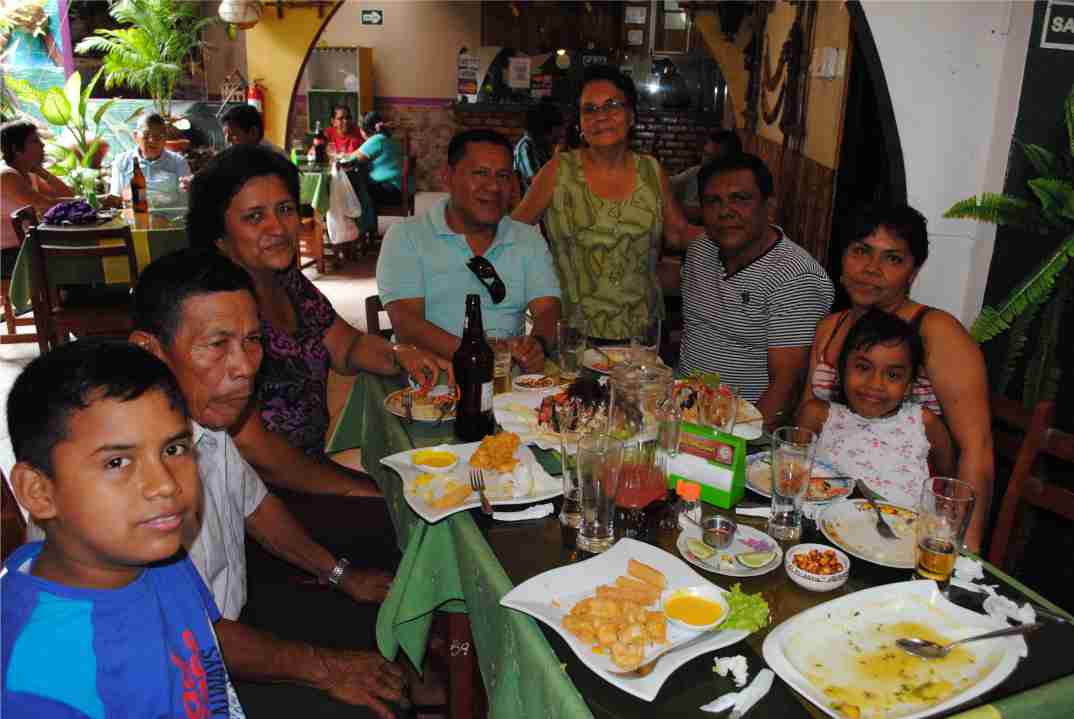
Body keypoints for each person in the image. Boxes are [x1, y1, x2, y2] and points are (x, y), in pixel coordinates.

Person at [130, 250, 407, 718]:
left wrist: (342, 575)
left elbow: (257, 508)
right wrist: (324, 669)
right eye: (217, 344)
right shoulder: (130, 474)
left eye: (252, 340)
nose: (244, 366)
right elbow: (187, 631)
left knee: (381, 611)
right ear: (150, 351)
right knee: (376, 703)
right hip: (183, 676)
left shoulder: (205, 420)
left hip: (232, 618)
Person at [3, 340, 245, 717]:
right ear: (39, 491)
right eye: (117, 462)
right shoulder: (39, 678)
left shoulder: (156, 553)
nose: (165, 485)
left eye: (173, 450)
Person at [187, 144, 446, 458]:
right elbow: (256, 450)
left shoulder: (289, 282)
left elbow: (346, 346)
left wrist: (399, 353)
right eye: (255, 216)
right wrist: (349, 484)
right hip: (257, 479)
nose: (278, 228)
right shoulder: (210, 308)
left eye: (285, 209)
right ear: (218, 234)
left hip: (310, 461)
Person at [801, 204, 994, 550]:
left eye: (892, 258)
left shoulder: (936, 331)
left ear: (913, 272)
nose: (871, 268)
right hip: (828, 515)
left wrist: (966, 550)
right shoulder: (830, 327)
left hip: (904, 522)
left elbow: (976, 448)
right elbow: (805, 428)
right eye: (860, 251)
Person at [512, 64, 702, 343]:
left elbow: (677, 232)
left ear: (631, 116)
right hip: (574, 335)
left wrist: (740, 238)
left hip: (642, 334)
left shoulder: (650, 170)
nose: (601, 116)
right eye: (589, 109)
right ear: (579, 124)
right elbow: (514, 232)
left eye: (612, 105)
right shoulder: (558, 171)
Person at [376, 129, 561, 371]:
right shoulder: (406, 237)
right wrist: (479, 354)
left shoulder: (527, 238)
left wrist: (537, 344)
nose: (493, 186)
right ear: (448, 177)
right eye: (480, 173)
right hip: (433, 377)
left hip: (507, 380)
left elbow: (547, 308)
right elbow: (408, 326)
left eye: (503, 176)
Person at [673, 153, 834, 429]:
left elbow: (786, 387)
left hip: (740, 428)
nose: (725, 211)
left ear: (768, 206)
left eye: (740, 199)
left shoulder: (795, 277)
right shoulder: (701, 250)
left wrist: (738, 442)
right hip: (680, 411)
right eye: (713, 201)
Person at [797, 308, 955, 508]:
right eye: (863, 368)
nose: (875, 384)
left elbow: (946, 483)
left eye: (893, 375)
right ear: (841, 369)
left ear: (909, 384)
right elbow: (792, 473)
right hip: (824, 524)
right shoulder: (818, 415)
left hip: (904, 525)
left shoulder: (924, 423)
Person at [1, 120, 73, 269]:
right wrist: (94, 201)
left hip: (29, 247)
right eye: (34, 141)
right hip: (8, 254)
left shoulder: (29, 173)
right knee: (77, 259)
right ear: (16, 148)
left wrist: (42, 171)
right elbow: (44, 204)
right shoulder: (7, 175)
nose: (43, 145)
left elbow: (66, 195)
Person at [108, 112, 193, 203]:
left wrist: (187, 188)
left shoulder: (178, 162)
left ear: (165, 138)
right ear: (135, 136)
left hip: (168, 211)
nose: (152, 140)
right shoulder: (122, 161)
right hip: (132, 210)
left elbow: (185, 197)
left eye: (158, 136)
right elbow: (116, 195)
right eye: (146, 135)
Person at [670, 129, 743, 224]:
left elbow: (702, 214)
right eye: (705, 154)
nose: (705, 161)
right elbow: (668, 182)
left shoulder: (737, 186)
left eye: (712, 158)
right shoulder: (696, 171)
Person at [336, 111, 403, 207]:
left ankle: (358, 216)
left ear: (363, 130)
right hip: (397, 189)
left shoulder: (377, 139)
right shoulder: (387, 137)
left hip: (391, 191)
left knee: (348, 189)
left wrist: (336, 155)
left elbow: (350, 158)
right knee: (355, 184)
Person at [513, 102, 564, 196]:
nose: (562, 133)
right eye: (557, 130)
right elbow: (539, 185)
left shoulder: (541, 147)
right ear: (545, 130)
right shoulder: (525, 148)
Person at [222, 103, 287, 156]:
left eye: (233, 135)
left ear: (253, 132)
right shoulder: (232, 157)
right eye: (225, 134)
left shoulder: (278, 159)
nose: (227, 140)